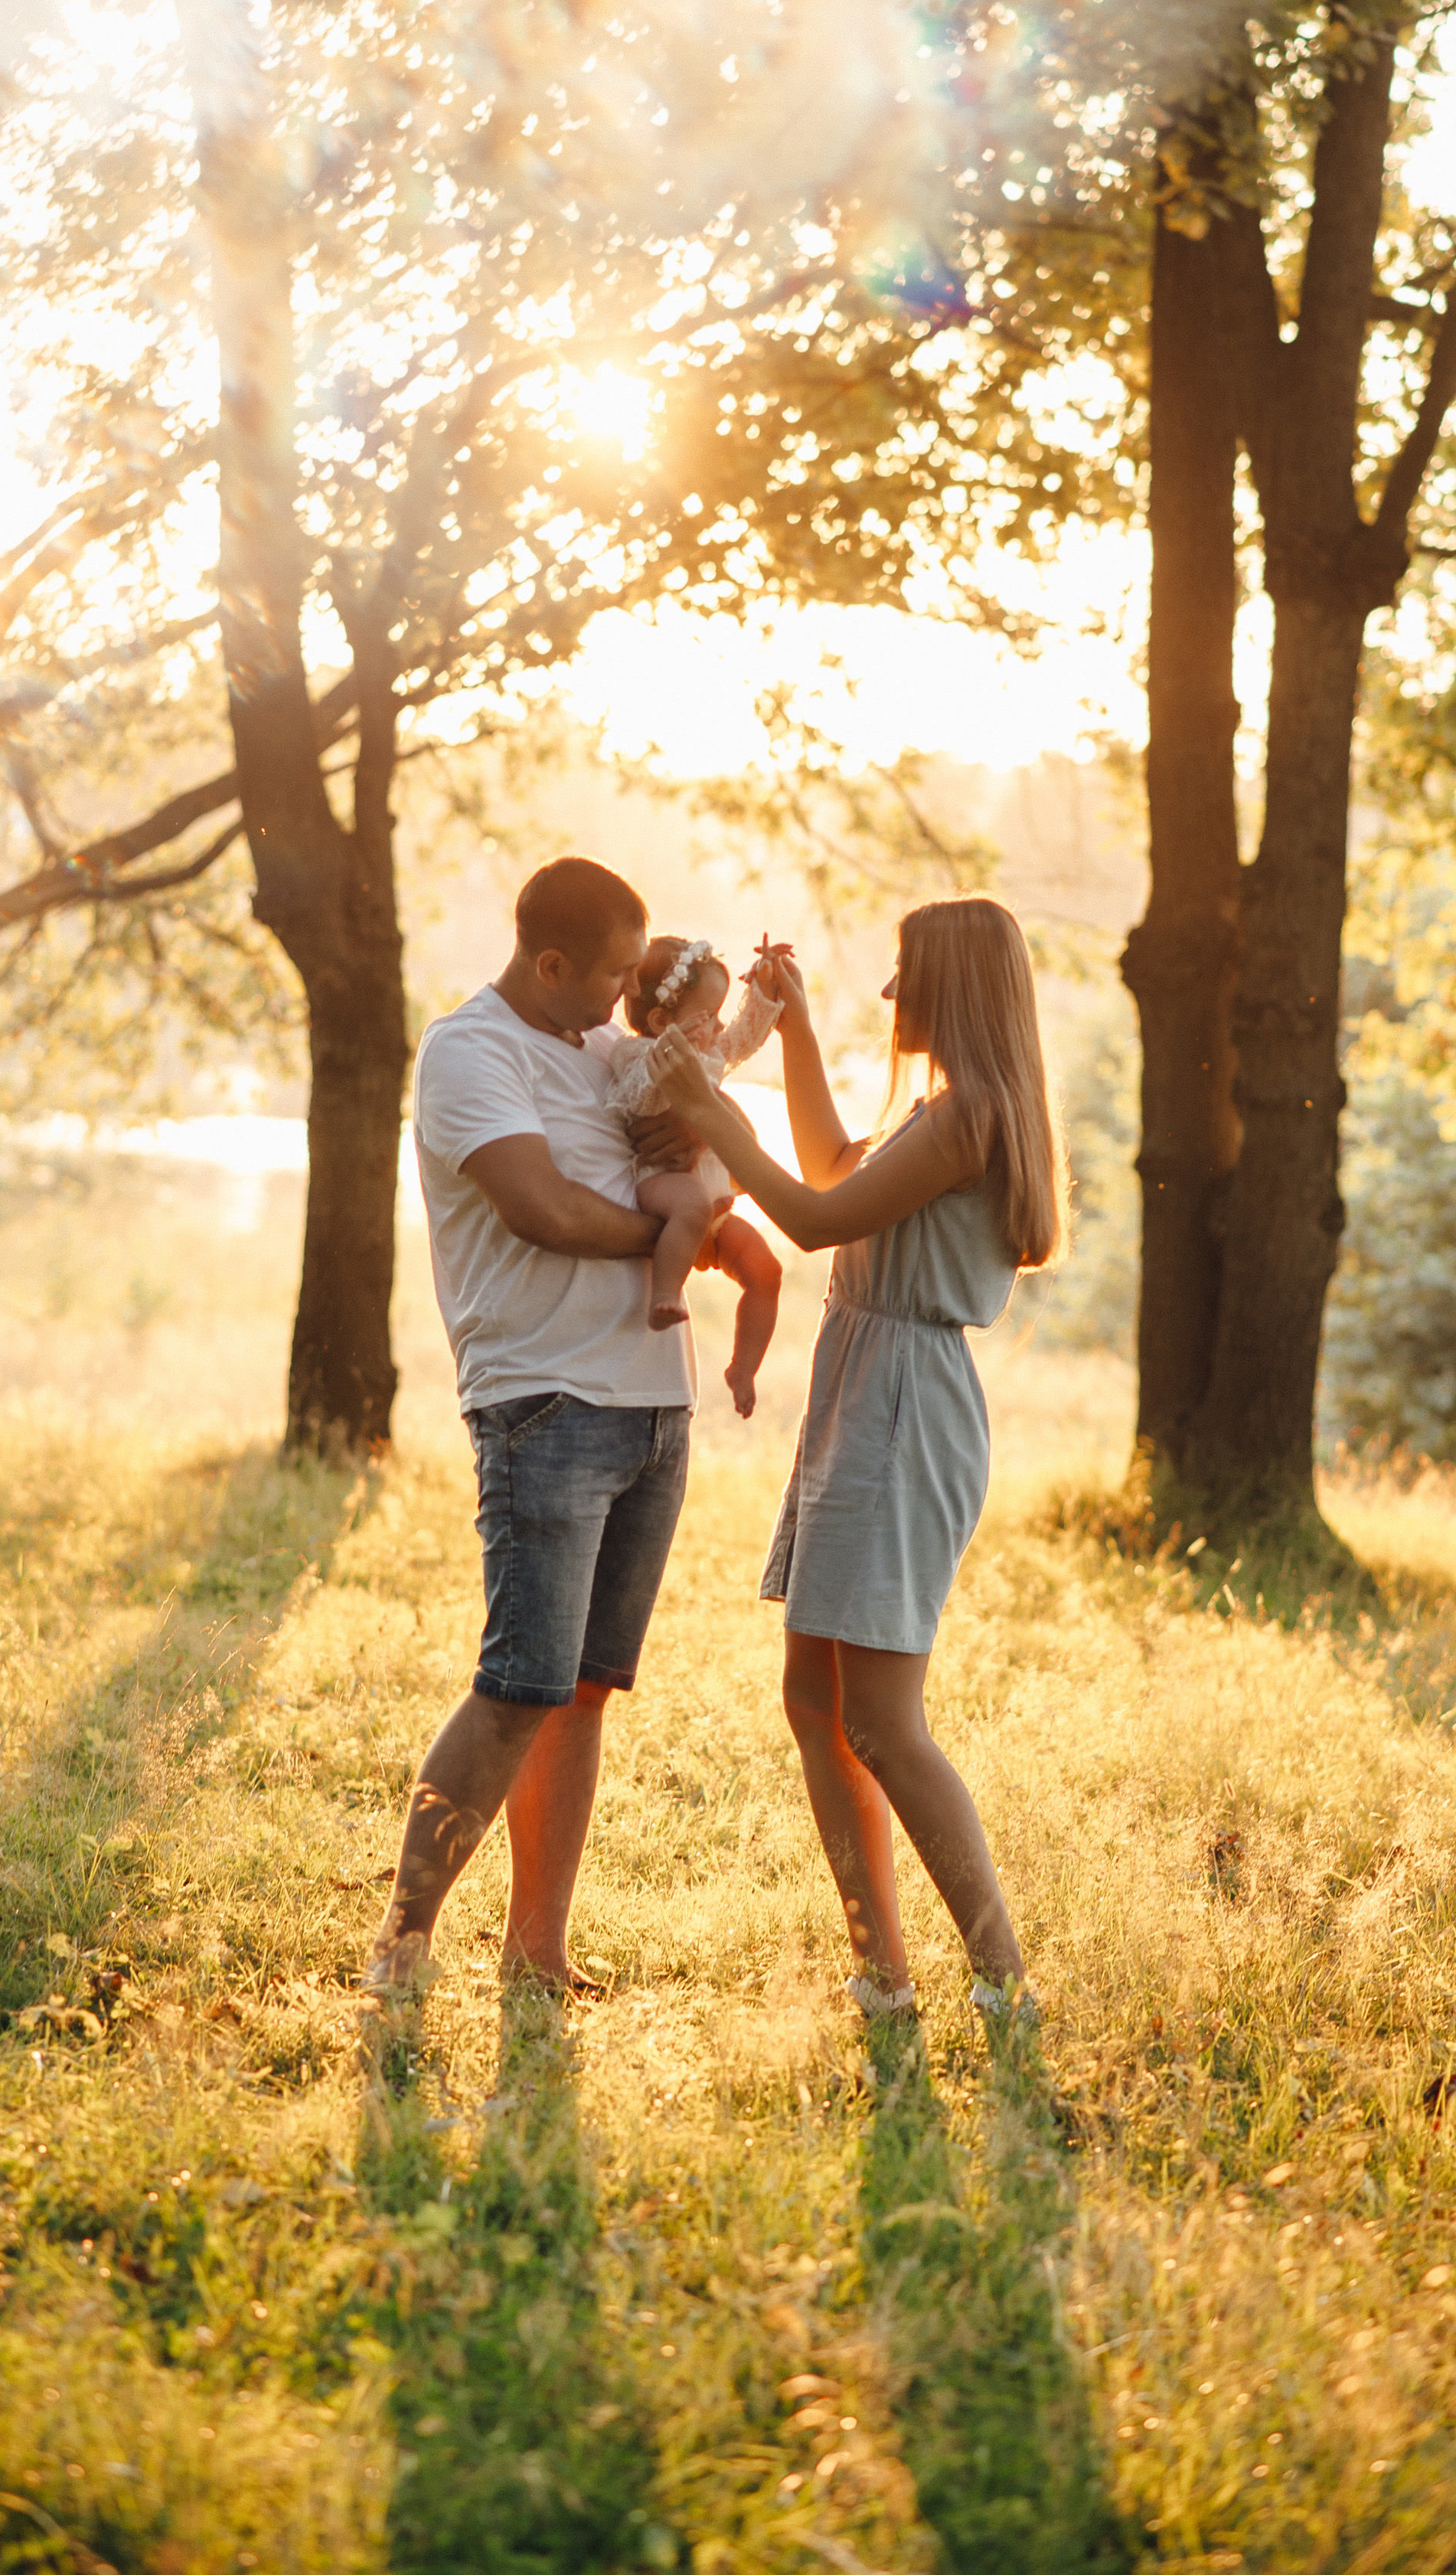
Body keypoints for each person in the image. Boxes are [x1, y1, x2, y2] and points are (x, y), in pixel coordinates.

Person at [648, 894, 1068, 2031]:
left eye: (902, 975)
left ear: (954, 986)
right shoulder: (935, 1109)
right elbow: (831, 1163)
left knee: (882, 1717)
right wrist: (788, 1034)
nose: (888, 997)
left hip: (903, 1407)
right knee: (813, 1695)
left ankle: (1002, 1977)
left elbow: (813, 1219)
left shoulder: (971, 1114)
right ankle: (882, 1970)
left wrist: (712, 1106)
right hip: (864, 1390)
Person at [362, 855, 696, 1995]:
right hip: (546, 1404)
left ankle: (536, 1951)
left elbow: (703, 1114)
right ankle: (402, 1944)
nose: (622, 995)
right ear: (548, 963)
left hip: (654, 1402)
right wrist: (667, 1244)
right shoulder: (471, 1051)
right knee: (519, 1686)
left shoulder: (607, 1051)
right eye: (608, 974)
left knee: (586, 1689)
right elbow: (540, 1207)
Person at [603, 934, 784, 1416]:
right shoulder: (636, 1055)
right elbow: (635, 1100)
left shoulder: (705, 1051)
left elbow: (745, 1036)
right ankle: (664, 1292)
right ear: (662, 1022)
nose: (719, 1026)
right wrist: (674, 1058)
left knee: (766, 1270)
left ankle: (742, 1368)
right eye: (710, 1014)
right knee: (691, 1205)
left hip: (714, 1210)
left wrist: (765, 989)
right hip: (664, 1184)